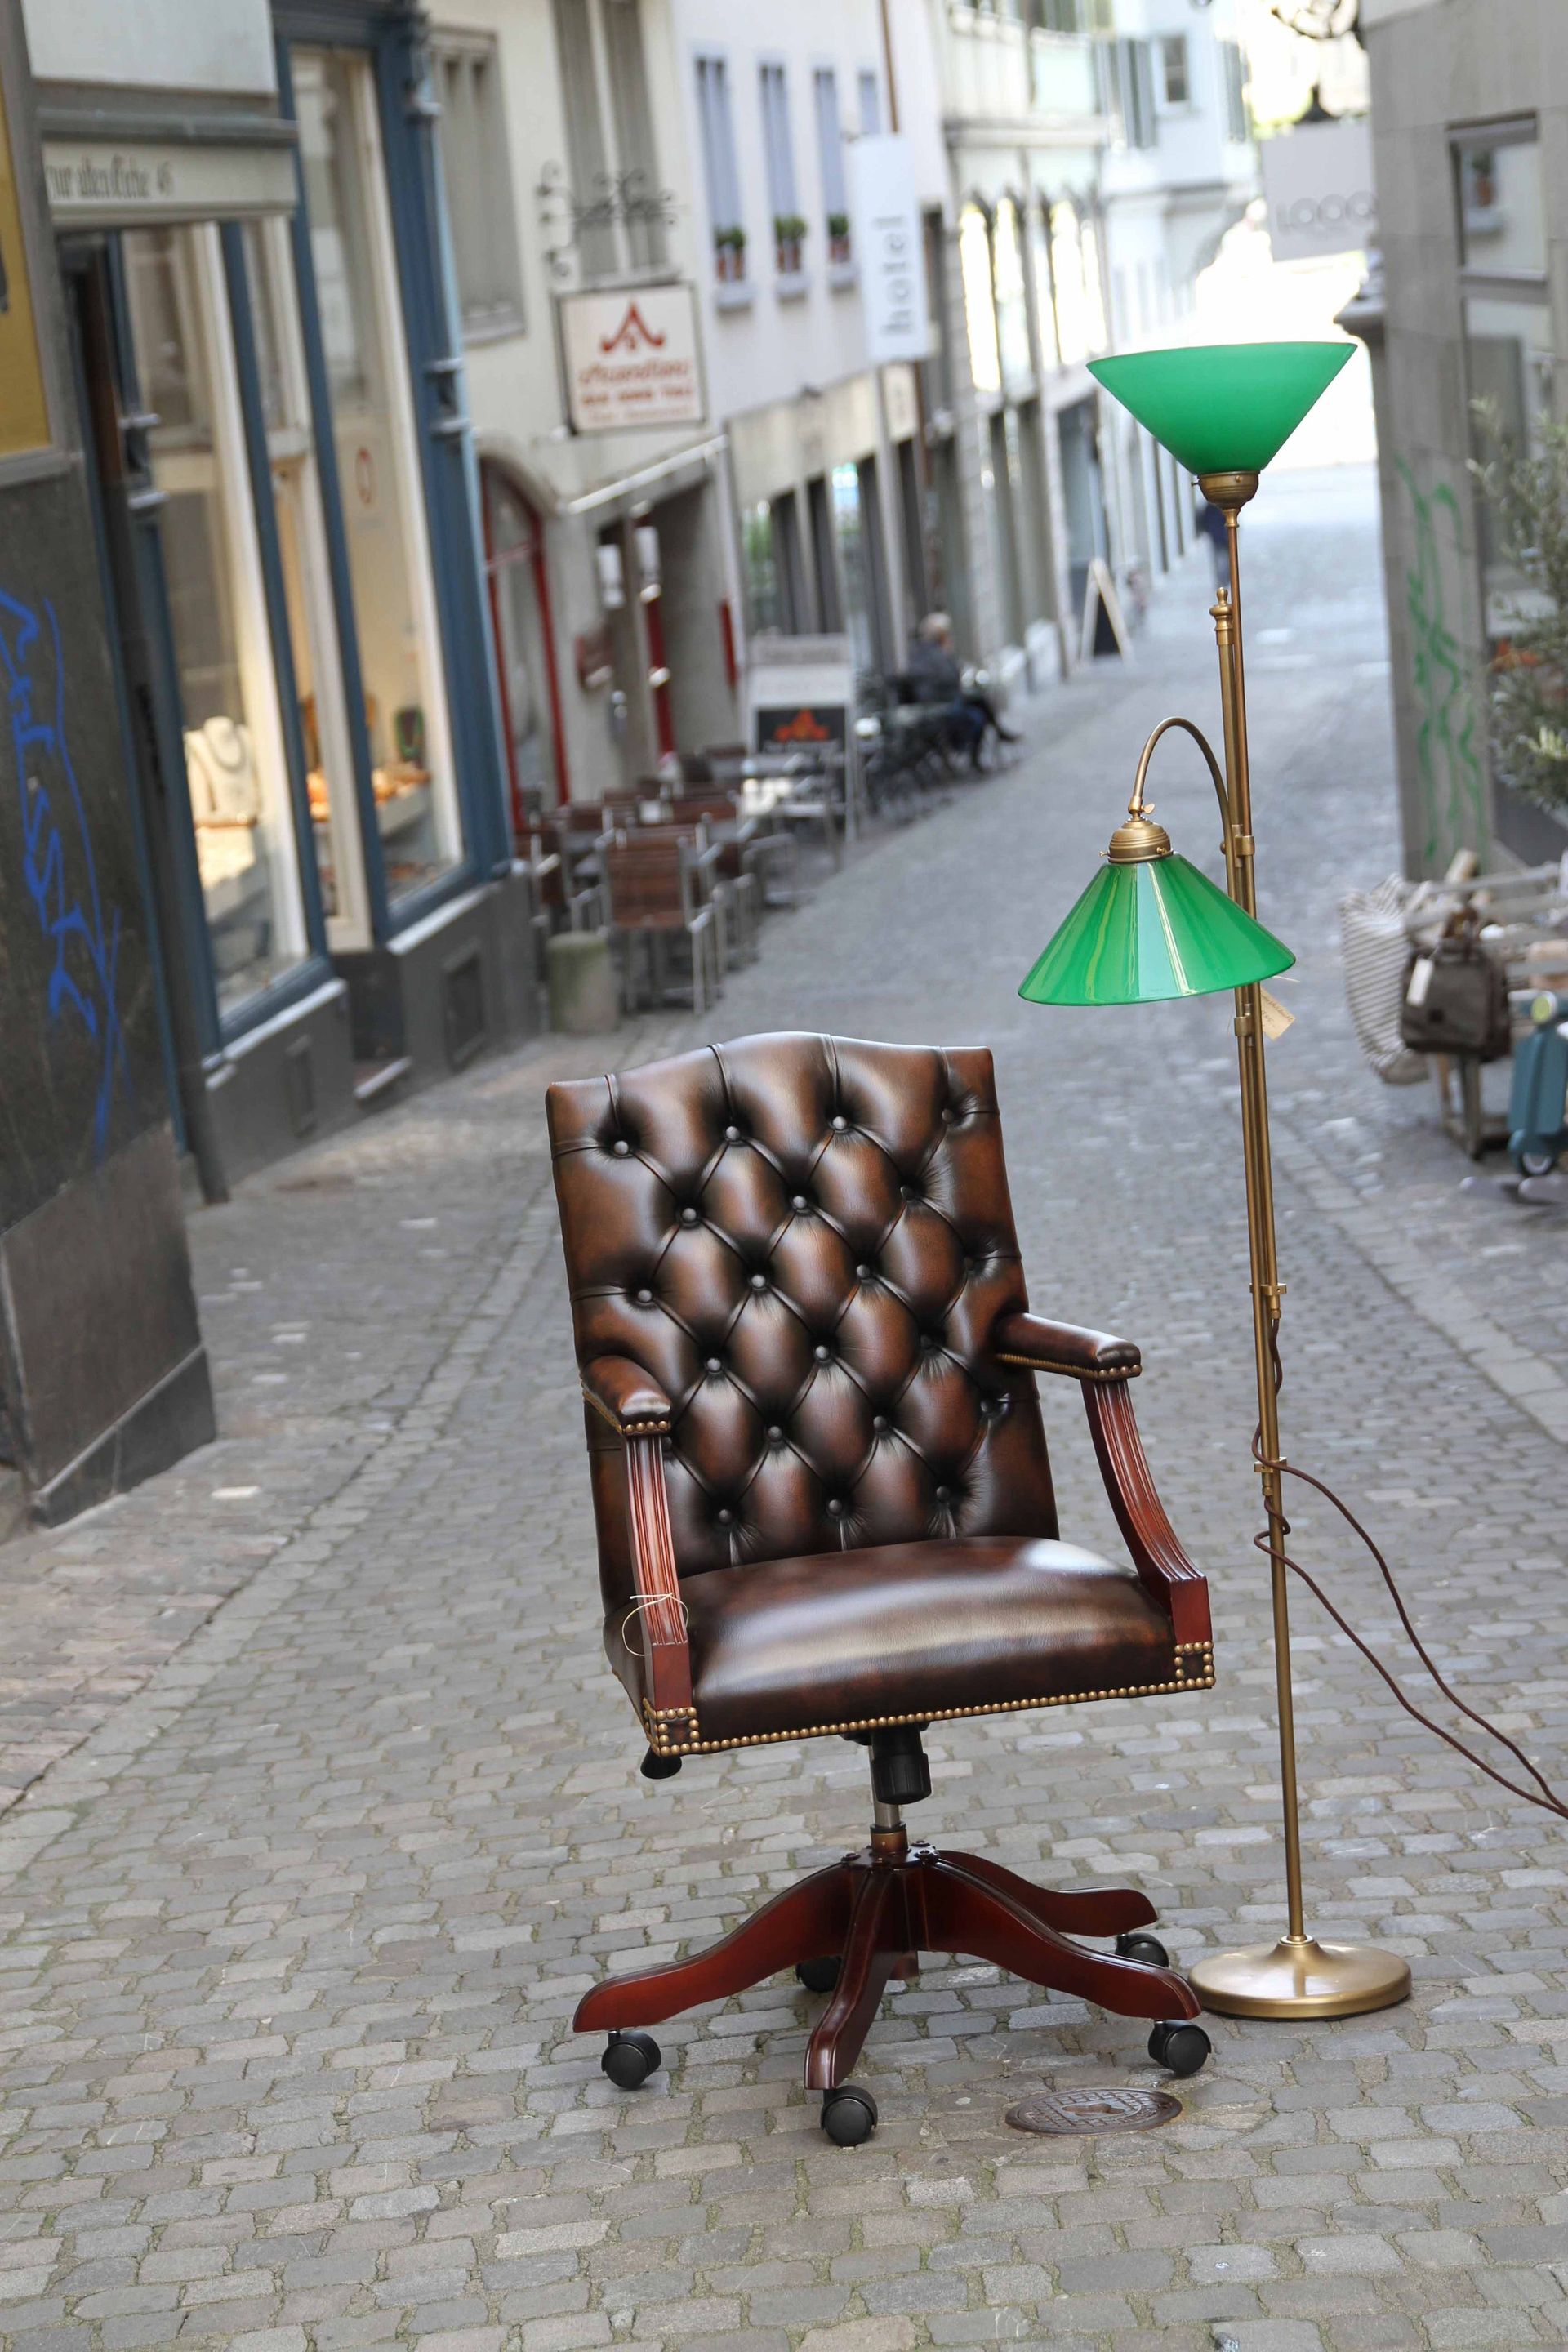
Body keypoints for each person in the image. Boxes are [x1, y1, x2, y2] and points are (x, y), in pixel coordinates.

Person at [905, 612, 1018, 767]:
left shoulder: (930, 652)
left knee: (980, 702)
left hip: (944, 700)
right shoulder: (933, 653)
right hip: (941, 705)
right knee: (978, 713)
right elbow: (949, 677)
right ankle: (988, 741)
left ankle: (996, 734)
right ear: (941, 636)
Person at [1196, 499, 1232, 595]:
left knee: (1221, 559)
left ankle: (1223, 579)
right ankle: (1224, 578)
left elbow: (1203, 522)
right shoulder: (1218, 507)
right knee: (1224, 559)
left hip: (1218, 537)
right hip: (1222, 537)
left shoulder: (1210, 508)